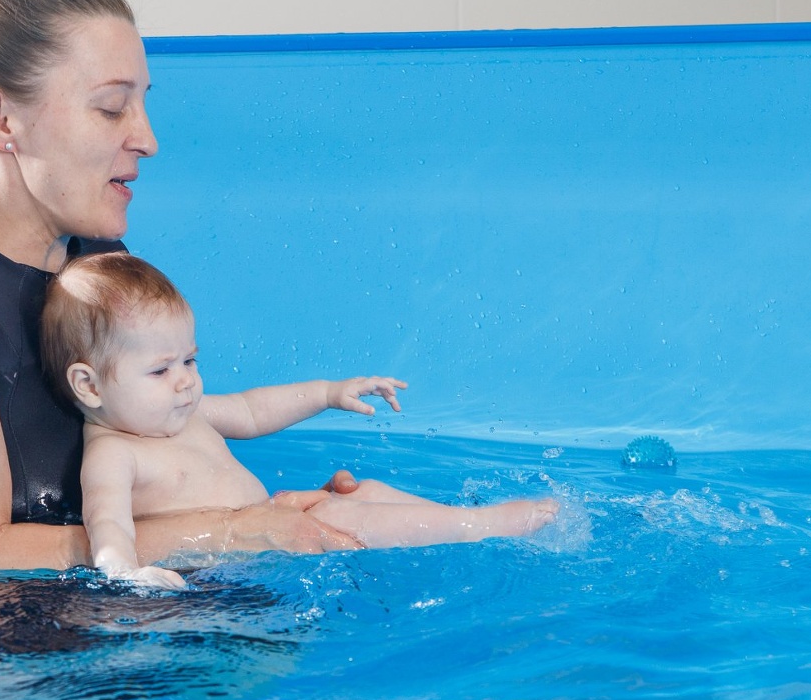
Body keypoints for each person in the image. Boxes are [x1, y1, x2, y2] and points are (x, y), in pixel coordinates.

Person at [0, 0, 362, 571]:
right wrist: (238, 531)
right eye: (112, 108)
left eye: (141, 105)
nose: (147, 139)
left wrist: (276, 517)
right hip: (2, 663)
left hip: (135, 628)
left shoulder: (93, 258)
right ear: (0, 121)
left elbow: (161, 456)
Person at [40, 252, 560, 589]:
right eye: (160, 369)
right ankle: (479, 528)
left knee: (363, 494)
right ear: (89, 385)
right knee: (344, 521)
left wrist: (330, 393)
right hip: (227, 568)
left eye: (190, 361)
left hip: (273, 521)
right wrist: (127, 574)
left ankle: (463, 517)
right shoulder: (115, 453)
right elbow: (106, 524)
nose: (185, 381)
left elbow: (252, 408)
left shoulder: (186, 412)